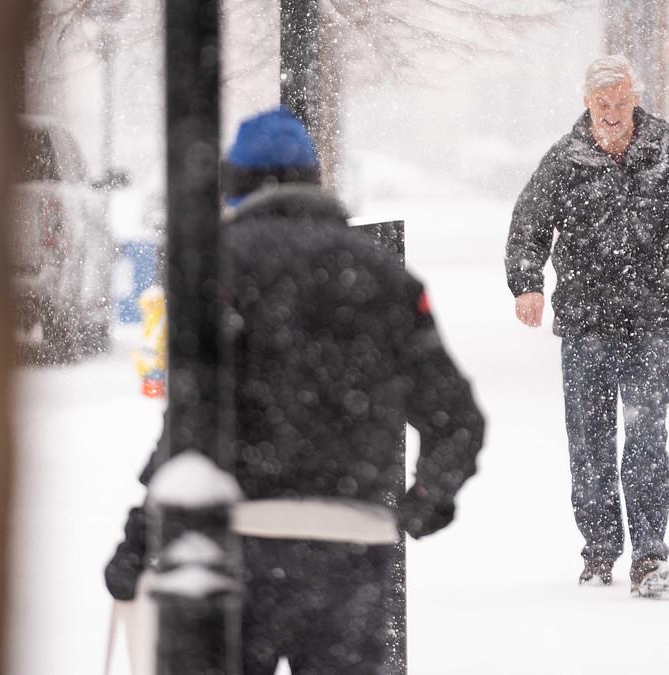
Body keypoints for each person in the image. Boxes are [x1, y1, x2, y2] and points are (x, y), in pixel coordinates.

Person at [105, 106, 485, 673]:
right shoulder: (385, 278)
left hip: (237, 546)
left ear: (234, 183)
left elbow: (192, 418)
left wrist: (142, 535)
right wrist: (425, 504)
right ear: (314, 181)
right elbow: (454, 416)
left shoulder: (217, 272)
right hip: (354, 552)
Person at [505, 55, 669, 597]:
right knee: (589, 441)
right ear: (587, 102)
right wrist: (527, 283)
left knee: (647, 434)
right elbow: (527, 224)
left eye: (619, 101)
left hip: (653, 321)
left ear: (634, 99)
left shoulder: (667, 150)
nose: (610, 112)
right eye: (601, 103)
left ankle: (649, 556)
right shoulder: (566, 159)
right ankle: (600, 550)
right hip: (586, 324)